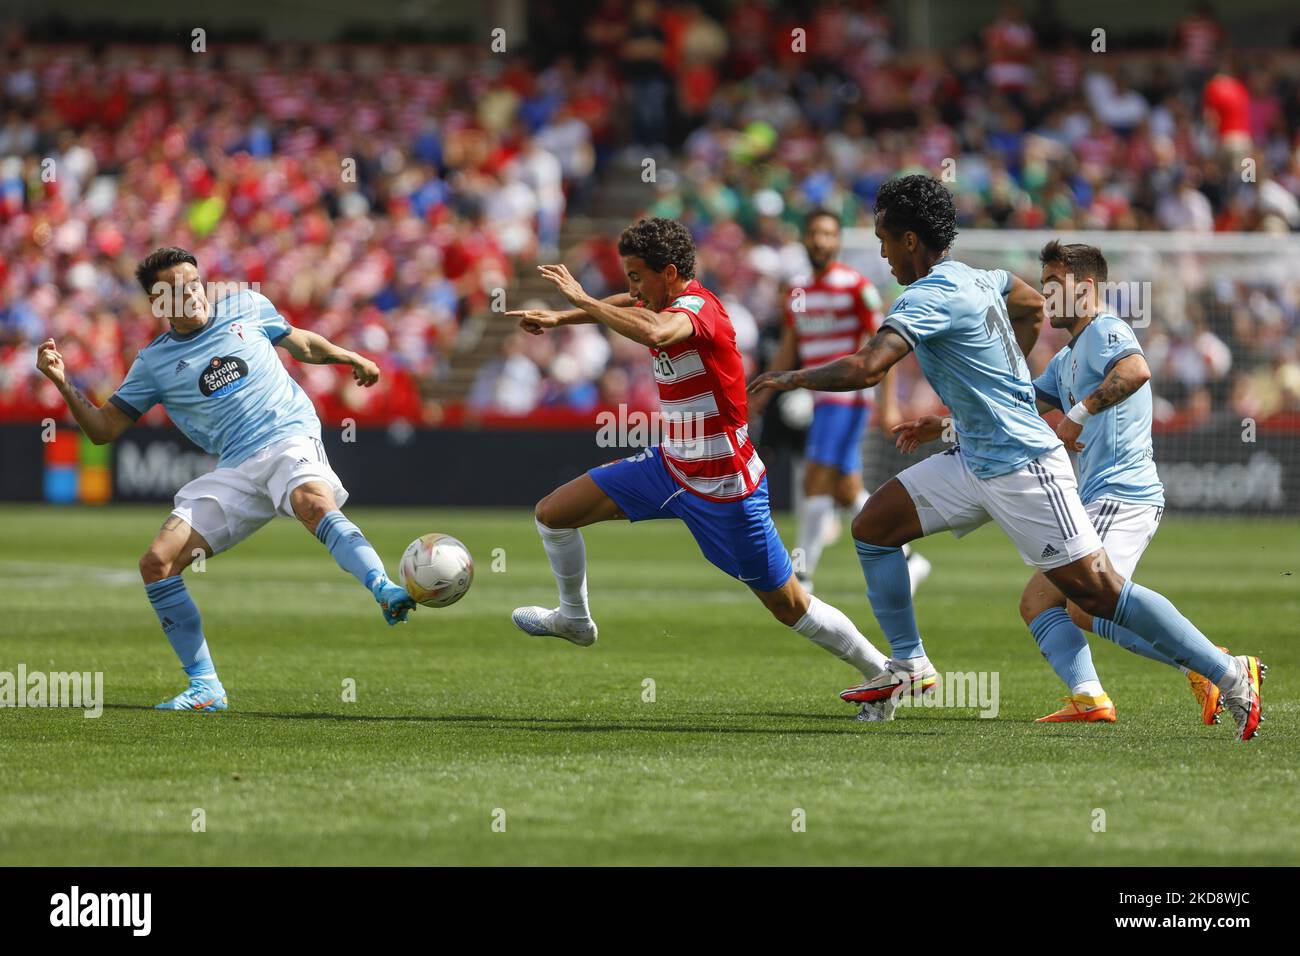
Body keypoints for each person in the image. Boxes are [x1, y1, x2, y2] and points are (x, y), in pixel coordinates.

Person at [34, 247, 414, 712]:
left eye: (194, 281)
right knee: (157, 562)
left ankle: (383, 588)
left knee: (313, 503)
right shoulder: (153, 364)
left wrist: (350, 357)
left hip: (287, 435)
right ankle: (206, 688)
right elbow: (102, 430)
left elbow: (301, 343)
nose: (191, 291)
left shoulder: (246, 307)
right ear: (159, 304)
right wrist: (61, 382)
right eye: (175, 289)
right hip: (235, 468)